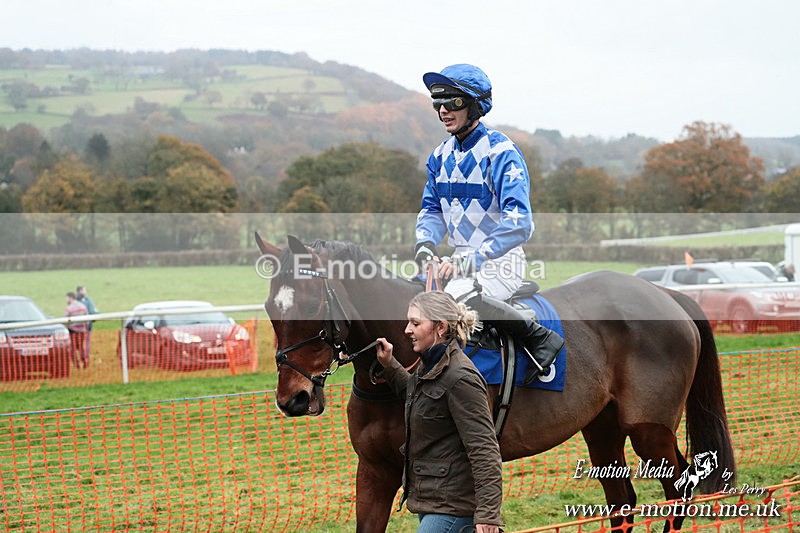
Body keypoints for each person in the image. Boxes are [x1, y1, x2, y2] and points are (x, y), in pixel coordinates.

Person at [414, 63, 564, 384]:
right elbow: (432, 211)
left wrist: (475, 256)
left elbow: (520, 221)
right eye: (438, 104)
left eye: (453, 103)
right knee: (412, 298)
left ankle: (538, 339)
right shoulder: (439, 156)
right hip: (456, 261)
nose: (443, 111)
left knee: (450, 304)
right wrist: (425, 246)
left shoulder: (502, 152)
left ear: (475, 105)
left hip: (500, 259)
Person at [376, 290, 503, 533]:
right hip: (434, 500)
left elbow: (484, 449)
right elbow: (420, 396)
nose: (407, 330)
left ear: (441, 327)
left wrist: (488, 514)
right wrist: (390, 365)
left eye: (415, 323)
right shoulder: (431, 363)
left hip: (453, 508)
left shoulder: (461, 378)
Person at [65, 292, 89, 368]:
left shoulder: (69, 308)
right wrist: (85, 327)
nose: (66, 300)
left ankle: (76, 366)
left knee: (72, 349)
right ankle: (85, 362)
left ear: (70, 298)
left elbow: (65, 320)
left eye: (67, 298)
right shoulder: (83, 306)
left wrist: (66, 327)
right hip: (82, 331)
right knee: (81, 347)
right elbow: (87, 319)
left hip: (72, 331)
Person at [76, 285, 98, 366]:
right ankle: (86, 358)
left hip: (75, 328)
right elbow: (92, 311)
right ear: (81, 291)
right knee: (87, 342)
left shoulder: (74, 302)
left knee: (78, 343)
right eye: (85, 290)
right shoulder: (88, 301)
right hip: (87, 326)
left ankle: (79, 359)